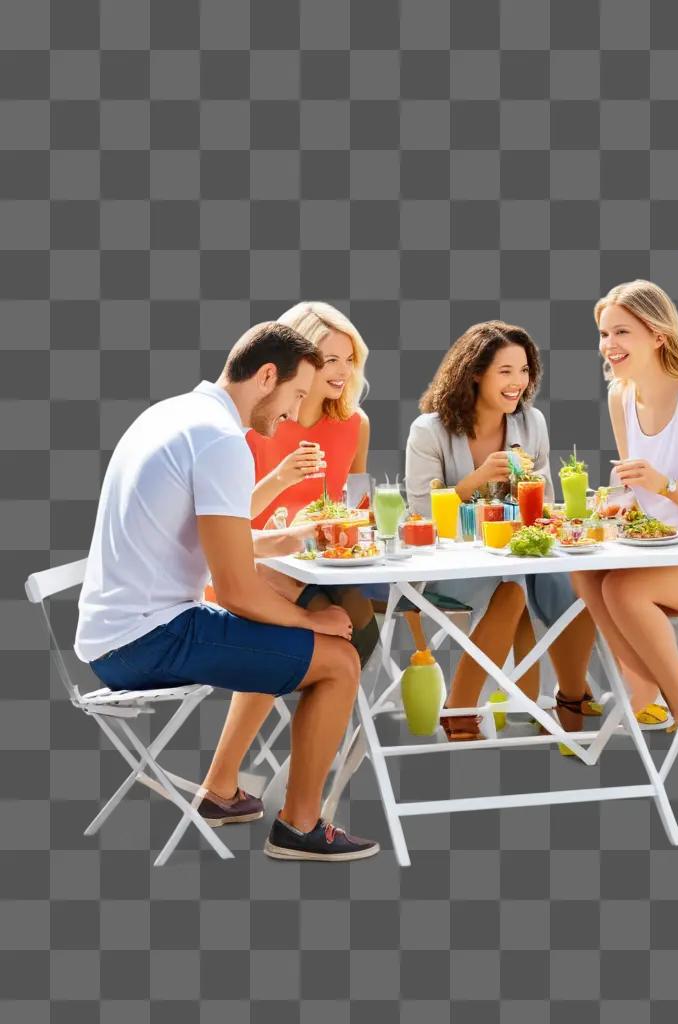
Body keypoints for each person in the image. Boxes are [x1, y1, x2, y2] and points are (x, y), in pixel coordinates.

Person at [75, 323, 381, 863]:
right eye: (296, 395)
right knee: (338, 660)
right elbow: (238, 592)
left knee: (286, 639)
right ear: (267, 377)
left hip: (114, 632)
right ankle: (300, 828)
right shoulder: (222, 441)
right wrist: (314, 622)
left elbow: (203, 535)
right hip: (149, 639)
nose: (293, 411)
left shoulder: (171, 415)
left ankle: (225, 792)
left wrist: (285, 538)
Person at [405, 321, 601, 741]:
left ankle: (567, 695)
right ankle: (460, 708)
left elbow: (543, 499)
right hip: (452, 563)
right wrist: (475, 480)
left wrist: (530, 488)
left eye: (525, 370)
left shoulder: (532, 424)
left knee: (585, 583)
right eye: (506, 371)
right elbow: (421, 514)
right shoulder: (430, 430)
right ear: (475, 372)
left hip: (519, 552)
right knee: (511, 590)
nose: (518, 382)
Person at [570, 280, 678, 766]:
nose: (608, 345)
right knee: (583, 571)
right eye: (603, 334)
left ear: (658, 334)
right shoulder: (621, 397)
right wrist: (622, 502)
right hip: (671, 555)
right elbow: (639, 495)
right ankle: (646, 696)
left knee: (623, 591)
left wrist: (663, 486)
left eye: (621, 331)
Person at [245, 301, 379, 666]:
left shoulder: (355, 423)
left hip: (327, 558)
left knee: (364, 632)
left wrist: (367, 520)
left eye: (349, 359)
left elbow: (358, 503)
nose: (343, 371)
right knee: (331, 632)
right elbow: (230, 517)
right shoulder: (257, 423)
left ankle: (335, 714)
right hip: (262, 563)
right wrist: (281, 478)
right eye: (330, 360)